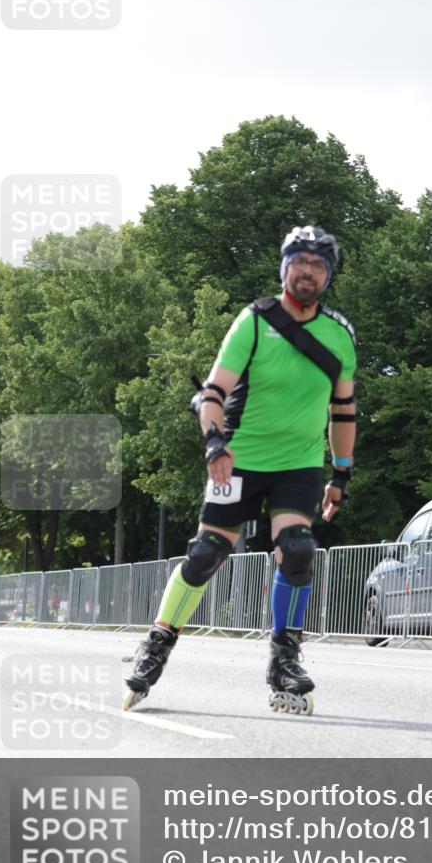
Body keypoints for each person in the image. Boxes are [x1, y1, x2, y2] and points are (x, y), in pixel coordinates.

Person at [123, 225, 357, 714]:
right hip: (241, 461)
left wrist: (340, 474)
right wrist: (213, 444)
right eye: (300, 261)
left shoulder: (339, 335)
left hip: (299, 467)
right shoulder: (253, 321)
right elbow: (213, 393)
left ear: (328, 275)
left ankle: (284, 658)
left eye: (318, 264)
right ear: (284, 267)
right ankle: (157, 643)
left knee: (297, 549)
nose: (308, 271)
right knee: (207, 553)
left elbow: (343, 411)